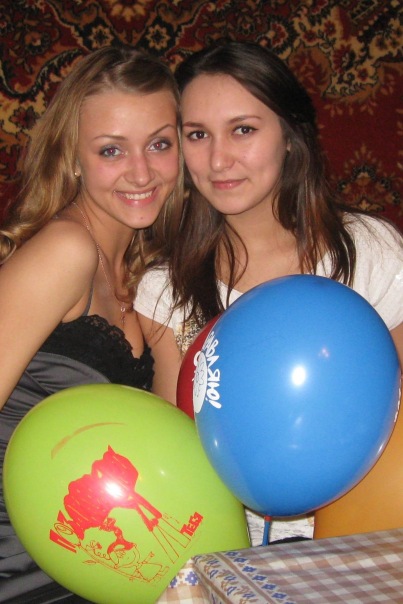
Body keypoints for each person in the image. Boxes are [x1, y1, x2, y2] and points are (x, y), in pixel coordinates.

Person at [134, 41, 403, 544]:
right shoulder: (165, 290)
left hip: (366, 538)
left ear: (290, 136)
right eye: (197, 134)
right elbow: (180, 466)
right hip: (236, 550)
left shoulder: (371, 250)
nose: (218, 159)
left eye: (243, 129)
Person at [0, 45, 182, 602]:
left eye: (160, 144)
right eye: (111, 150)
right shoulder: (66, 251)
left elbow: (168, 443)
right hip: (19, 566)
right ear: (73, 158)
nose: (141, 172)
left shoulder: (143, 272)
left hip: (91, 558)